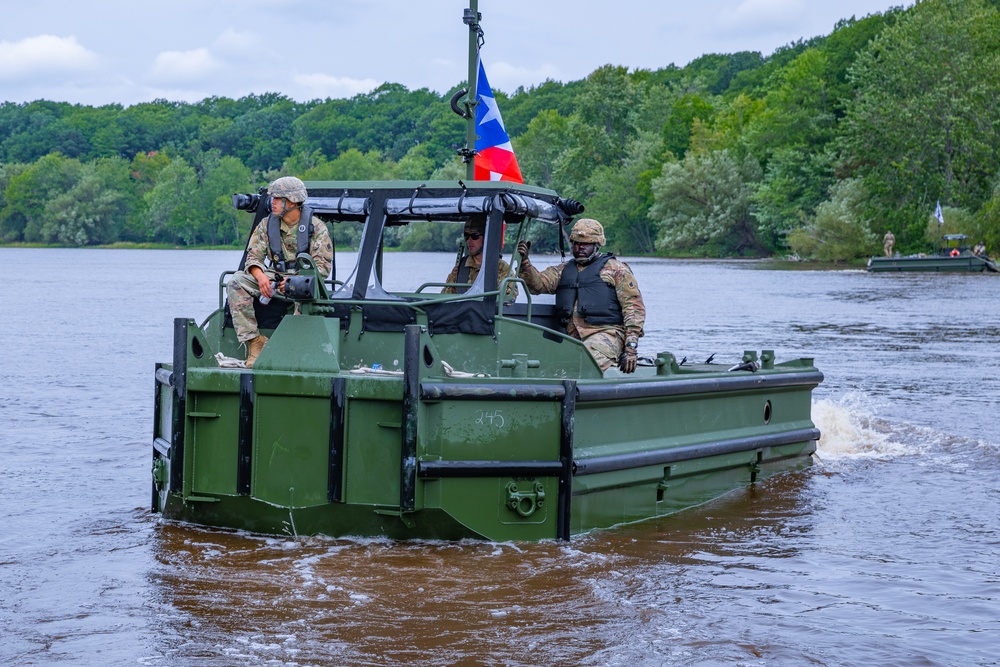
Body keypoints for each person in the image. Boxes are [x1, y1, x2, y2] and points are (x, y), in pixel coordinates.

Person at [227, 176, 333, 367]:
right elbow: (253, 257)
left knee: (303, 291)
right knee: (236, 282)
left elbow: (322, 268)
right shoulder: (267, 225)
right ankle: (255, 343)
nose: (272, 202)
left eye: (277, 198)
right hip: (273, 274)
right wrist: (260, 278)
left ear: (291, 201)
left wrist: (295, 283)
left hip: (304, 280)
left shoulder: (316, 228)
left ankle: (290, 352)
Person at [516, 218, 645, 373]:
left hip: (606, 334)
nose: (580, 247)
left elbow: (633, 309)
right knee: (550, 368)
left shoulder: (616, 270)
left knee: (586, 363)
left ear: (597, 245)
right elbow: (538, 285)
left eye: (586, 244)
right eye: (576, 243)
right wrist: (525, 264)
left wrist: (631, 347)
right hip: (572, 338)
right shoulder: (564, 270)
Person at [442, 220, 518, 302]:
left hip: (486, 313)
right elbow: (444, 298)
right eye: (466, 236)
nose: (469, 241)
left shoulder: (501, 267)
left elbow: (509, 298)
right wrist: (452, 278)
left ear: (486, 238)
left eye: (475, 236)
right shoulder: (460, 267)